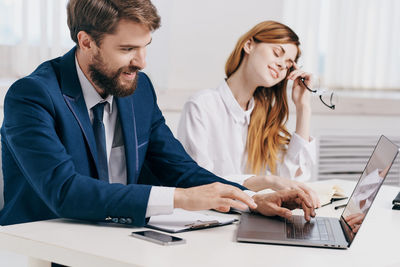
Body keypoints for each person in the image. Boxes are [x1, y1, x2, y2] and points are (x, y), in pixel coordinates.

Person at [0, 0, 315, 227]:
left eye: (146, 46)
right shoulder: (32, 96)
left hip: (121, 237)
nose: (142, 62)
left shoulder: (139, 89)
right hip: (45, 245)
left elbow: (180, 170)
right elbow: (65, 191)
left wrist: (251, 200)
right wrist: (180, 199)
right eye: (127, 50)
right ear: (86, 42)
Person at [177, 21, 319, 207]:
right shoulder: (202, 105)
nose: (281, 66)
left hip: (253, 215)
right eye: (277, 53)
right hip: (210, 218)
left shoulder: (263, 115)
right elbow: (199, 182)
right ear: (249, 45)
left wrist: (303, 108)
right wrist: (266, 181)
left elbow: (290, 181)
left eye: (288, 65)